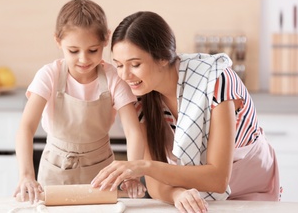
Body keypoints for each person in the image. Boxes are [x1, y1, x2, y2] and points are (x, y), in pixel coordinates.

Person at [91, 11, 280, 213]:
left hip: (251, 190)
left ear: (162, 57)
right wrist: (176, 194)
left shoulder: (216, 80)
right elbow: (155, 185)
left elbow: (218, 178)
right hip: (197, 195)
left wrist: (143, 167)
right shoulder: (139, 97)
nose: (125, 75)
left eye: (135, 64)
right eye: (119, 65)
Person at [13, 0, 145, 203]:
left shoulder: (113, 78)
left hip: (102, 174)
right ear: (58, 41)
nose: (84, 59)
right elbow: (26, 128)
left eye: (93, 50)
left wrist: (132, 174)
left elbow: (133, 131)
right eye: (73, 51)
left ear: (106, 40)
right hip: (54, 173)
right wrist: (26, 176)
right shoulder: (49, 75)